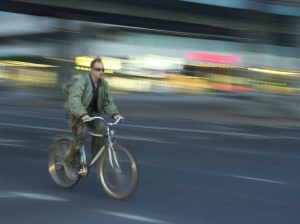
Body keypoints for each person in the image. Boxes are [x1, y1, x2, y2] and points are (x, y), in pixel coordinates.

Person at [63, 57, 124, 179]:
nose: (100, 72)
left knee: (102, 127)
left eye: (102, 69)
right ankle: (67, 161)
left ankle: (98, 159)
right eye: (97, 69)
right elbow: (74, 100)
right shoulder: (82, 82)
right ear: (91, 69)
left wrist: (115, 114)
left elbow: (108, 102)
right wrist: (82, 114)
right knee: (82, 134)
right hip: (75, 112)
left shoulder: (103, 84)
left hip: (90, 113)